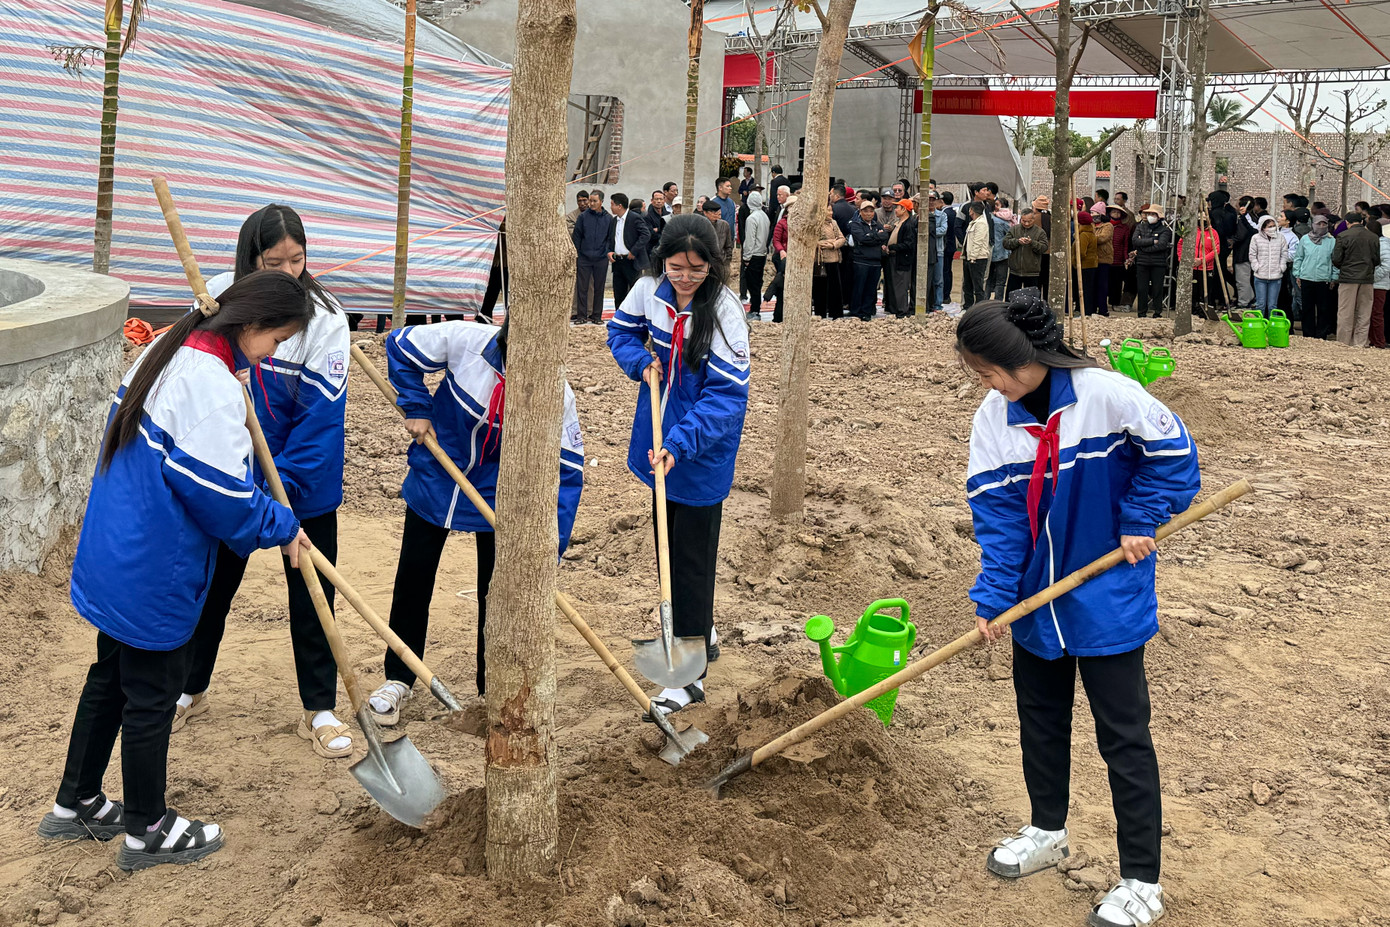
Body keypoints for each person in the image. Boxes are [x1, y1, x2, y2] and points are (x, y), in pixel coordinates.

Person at [45, 271, 313, 870]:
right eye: (276, 341)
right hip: (155, 567)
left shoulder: (168, 349)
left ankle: (76, 800)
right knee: (151, 695)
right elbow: (223, 501)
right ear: (251, 324)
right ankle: (147, 829)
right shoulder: (209, 385)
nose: (271, 355)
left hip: (117, 549)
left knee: (110, 678)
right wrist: (281, 525)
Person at [958, 292, 1199, 927]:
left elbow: (1175, 459)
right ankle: (1047, 829)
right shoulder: (994, 420)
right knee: (1039, 720)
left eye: (991, 372)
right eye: (979, 375)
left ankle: (1142, 880)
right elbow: (1000, 520)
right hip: (1037, 604)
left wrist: (1140, 518)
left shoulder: (1107, 395)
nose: (987, 386)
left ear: (1028, 358)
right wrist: (996, 595)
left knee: (1123, 736)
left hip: (1107, 594)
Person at [170, 204, 352, 759]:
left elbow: (320, 424)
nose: (289, 273)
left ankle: (319, 707)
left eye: (298, 259)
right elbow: (195, 386)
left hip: (303, 484)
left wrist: (278, 499)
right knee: (212, 586)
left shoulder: (326, 320)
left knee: (311, 592)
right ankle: (189, 687)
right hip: (231, 476)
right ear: (250, 259)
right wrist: (239, 490)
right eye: (275, 263)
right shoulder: (216, 299)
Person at [368, 318, 584, 722]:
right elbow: (399, 344)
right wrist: (417, 405)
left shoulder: (558, 394)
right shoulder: (466, 340)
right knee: (414, 577)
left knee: (495, 592)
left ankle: (491, 690)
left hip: (499, 497)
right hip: (437, 475)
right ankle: (399, 677)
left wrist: (548, 552)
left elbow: (568, 474)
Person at [607, 215, 750, 712]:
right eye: (676, 267)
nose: (685, 278)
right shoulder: (648, 290)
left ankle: (688, 680)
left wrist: (681, 443)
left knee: (690, 561)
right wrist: (639, 362)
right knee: (668, 545)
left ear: (713, 266)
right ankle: (699, 627)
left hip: (701, 451)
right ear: (661, 261)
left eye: (696, 269)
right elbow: (620, 333)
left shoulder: (725, 311)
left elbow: (727, 398)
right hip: (657, 440)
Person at [1331, 213, 1382, 347]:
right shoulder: (1373, 237)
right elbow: (1376, 260)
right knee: (1364, 312)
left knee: (1345, 311)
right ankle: (1360, 342)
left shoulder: (1343, 236)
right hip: (1367, 278)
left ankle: (1344, 342)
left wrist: (1344, 267)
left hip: (1348, 278)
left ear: (1347, 222)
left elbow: (1336, 259)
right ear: (1362, 222)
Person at [573, 190, 615, 324]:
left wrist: (606, 251)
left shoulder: (608, 219)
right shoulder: (583, 217)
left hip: (601, 258)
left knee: (599, 288)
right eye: (590, 201)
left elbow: (610, 238)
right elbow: (577, 236)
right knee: (582, 288)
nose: (591, 203)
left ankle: (596, 316)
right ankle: (581, 316)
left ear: (601, 202)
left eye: (594, 201)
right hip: (584, 258)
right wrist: (578, 254)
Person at [1294, 215, 1339, 339]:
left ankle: (1321, 335)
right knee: (1307, 308)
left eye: (1324, 224)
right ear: (1313, 225)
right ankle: (1308, 334)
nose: (1321, 226)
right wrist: (1297, 274)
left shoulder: (1332, 241)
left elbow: (1335, 261)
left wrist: (1334, 277)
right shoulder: (1305, 239)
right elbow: (1299, 257)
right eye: (1319, 224)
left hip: (1324, 279)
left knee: (1323, 309)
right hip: (1306, 278)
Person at [610, 193, 652, 308]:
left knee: (634, 292)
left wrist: (634, 251)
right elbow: (611, 239)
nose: (611, 207)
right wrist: (609, 251)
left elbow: (645, 235)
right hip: (617, 261)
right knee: (619, 293)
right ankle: (619, 315)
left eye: (612, 204)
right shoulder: (614, 221)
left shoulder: (634, 218)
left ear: (619, 206)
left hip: (631, 261)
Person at [849, 200, 888, 320]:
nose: (868, 214)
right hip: (861, 261)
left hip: (875, 261)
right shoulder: (856, 224)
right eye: (865, 211)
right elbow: (861, 238)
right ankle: (856, 311)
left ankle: (867, 311)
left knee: (871, 289)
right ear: (860, 212)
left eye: (871, 211)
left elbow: (884, 236)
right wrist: (876, 237)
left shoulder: (877, 225)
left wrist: (871, 237)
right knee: (859, 287)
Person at [1178, 216, 1224, 317]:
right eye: (1199, 217)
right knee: (1192, 291)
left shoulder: (1213, 233)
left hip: (1206, 268)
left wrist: (1202, 260)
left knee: (1205, 292)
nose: (1202, 220)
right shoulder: (1191, 231)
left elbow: (1216, 250)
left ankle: (1204, 312)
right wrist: (1183, 259)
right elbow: (1180, 245)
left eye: (1204, 217)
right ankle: (1192, 312)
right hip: (1192, 267)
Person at [1131, 205, 1172, 318]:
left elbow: (1161, 245)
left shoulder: (1165, 230)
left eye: (1153, 214)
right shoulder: (1140, 227)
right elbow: (1135, 241)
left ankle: (1157, 312)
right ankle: (1141, 312)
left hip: (1158, 263)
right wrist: (1152, 241)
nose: (1150, 216)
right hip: (1142, 262)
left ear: (1159, 217)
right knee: (1142, 288)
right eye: (1149, 214)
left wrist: (1143, 247)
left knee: (1157, 288)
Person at [1249, 215, 1287, 318]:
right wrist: (1257, 267)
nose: (1272, 228)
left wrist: (1281, 267)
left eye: (1274, 226)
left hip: (1276, 277)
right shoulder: (1255, 238)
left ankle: (1272, 325)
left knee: (1272, 305)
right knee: (1260, 304)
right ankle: (1260, 324)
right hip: (1260, 277)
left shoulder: (1281, 238)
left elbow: (1284, 254)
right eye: (1270, 226)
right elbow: (1252, 255)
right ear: (1263, 227)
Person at [886, 197, 918, 318]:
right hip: (894, 257)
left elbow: (908, 244)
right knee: (896, 285)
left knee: (901, 286)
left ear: (904, 209)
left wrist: (893, 247)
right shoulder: (900, 223)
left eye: (898, 207)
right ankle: (897, 309)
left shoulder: (908, 225)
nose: (895, 210)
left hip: (902, 259)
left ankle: (902, 311)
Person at [1003, 209, 1048, 295]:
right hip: (1015, 271)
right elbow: (1005, 243)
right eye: (1024, 221)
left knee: (1031, 298)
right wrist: (1017, 241)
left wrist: (1032, 243)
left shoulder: (1040, 232)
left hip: (1032, 272)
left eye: (1029, 221)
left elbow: (1044, 248)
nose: (1026, 223)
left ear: (1033, 219)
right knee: (1011, 297)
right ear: (1021, 219)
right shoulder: (1014, 229)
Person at [813, 204, 847, 319]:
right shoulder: (816, 224)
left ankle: (836, 313)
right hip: (820, 260)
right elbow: (812, 240)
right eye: (828, 211)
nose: (831, 213)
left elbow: (842, 238)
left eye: (831, 210)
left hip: (833, 258)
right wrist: (822, 243)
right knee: (820, 288)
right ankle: (820, 314)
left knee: (835, 287)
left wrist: (833, 244)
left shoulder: (833, 223)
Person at [740, 191, 770, 319]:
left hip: (754, 255)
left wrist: (746, 257)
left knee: (753, 285)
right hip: (762, 253)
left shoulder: (751, 218)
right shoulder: (764, 216)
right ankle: (755, 309)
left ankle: (755, 310)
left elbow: (750, 240)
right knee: (758, 282)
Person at [831, 184, 857, 315]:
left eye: (831, 194)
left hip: (836, 247)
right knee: (849, 275)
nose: (830, 196)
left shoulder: (833, 209)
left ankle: (837, 302)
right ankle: (848, 301)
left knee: (837, 276)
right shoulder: (853, 209)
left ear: (836, 195)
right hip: (851, 248)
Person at [962, 201, 992, 308]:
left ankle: (979, 307)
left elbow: (978, 242)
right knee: (967, 285)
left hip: (978, 259)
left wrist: (973, 257)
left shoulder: (981, 223)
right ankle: (968, 306)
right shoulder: (973, 222)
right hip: (969, 257)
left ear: (972, 210)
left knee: (977, 285)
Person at [1108, 204, 1133, 311]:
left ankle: (1115, 303)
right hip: (1106, 258)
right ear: (1110, 213)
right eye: (1114, 212)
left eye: (1118, 213)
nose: (1116, 214)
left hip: (1118, 260)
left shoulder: (1124, 228)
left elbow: (1125, 244)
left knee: (1117, 284)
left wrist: (1125, 258)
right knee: (1105, 282)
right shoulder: (1106, 225)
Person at [701, 198, 735, 271]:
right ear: (705, 213)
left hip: (720, 263)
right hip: (703, 263)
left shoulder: (724, 225)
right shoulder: (700, 226)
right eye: (713, 212)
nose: (717, 214)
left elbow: (729, 245)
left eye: (718, 212)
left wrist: (727, 261)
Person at [1076, 210, 1098, 315]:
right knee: (1089, 288)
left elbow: (1081, 252)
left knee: (1085, 289)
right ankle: (1088, 310)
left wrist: (1075, 261)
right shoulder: (1090, 233)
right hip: (1091, 264)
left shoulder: (1084, 235)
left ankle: (1085, 310)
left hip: (1085, 265)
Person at [1093, 208, 1114, 316]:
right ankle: (1093, 307)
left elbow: (1103, 238)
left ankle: (1102, 309)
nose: (1092, 215)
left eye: (1094, 212)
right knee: (1093, 285)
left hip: (1104, 258)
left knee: (1102, 285)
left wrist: (1090, 238)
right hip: (1093, 258)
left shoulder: (1108, 226)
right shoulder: (1092, 225)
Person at [1373, 220, 1390, 348]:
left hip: (1379, 284)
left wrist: (1373, 277)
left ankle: (1379, 341)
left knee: (1376, 314)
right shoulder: (1378, 243)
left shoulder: (1383, 245)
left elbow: (1386, 266)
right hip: (1377, 283)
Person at [1033, 195, 1053, 301]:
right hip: (1049, 252)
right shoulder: (1051, 218)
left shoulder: (1034, 218)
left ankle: (1036, 301)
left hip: (1038, 252)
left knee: (1037, 280)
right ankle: (1046, 300)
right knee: (1046, 280)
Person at [942, 191, 959, 304]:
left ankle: (945, 294)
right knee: (947, 270)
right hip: (951, 245)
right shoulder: (952, 212)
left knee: (945, 270)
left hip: (946, 246)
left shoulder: (946, 214)